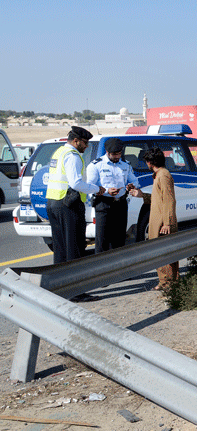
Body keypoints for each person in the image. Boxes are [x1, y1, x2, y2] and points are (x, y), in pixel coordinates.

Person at [46, 126, 105, 301]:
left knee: (60, 249)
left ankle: (60, 289)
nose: (86, 147)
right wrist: (97, 189)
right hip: (68, 205)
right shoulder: (72, 157)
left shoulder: (59, 152)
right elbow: (76, 183)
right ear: (76, 141)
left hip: (54, 202)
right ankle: (76, 292)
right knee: (75, 248)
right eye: (85, 143)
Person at [130, 148, 178, 291]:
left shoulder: (163, 176)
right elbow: (158, 199)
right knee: (159, 253)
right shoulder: (158, 175)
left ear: (150, 162)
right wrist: (141, 195)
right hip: (158, 221)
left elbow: (170, 200)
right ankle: (165, 282)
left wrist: (167, 223)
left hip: (163, 223)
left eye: (146, 162)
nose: (146, 164)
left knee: (165, 253)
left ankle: (169, 283)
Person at [86, 138, 141, 254]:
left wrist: (131, 186)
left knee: (119, 239)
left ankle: (117, 268)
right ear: (107, 152)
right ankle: (101, 270)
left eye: (119, 154)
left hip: (120, 204)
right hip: (103, 205)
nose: (117, 157)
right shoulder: (96, 165)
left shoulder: (125, 165)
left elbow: (135, 181)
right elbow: (89, 186)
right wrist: (106, 190)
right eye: (114, 154)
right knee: (102, 240)